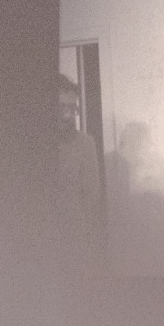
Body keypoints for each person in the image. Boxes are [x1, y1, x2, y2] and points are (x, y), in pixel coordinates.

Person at [58, 73, 104, 260]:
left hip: (72, 239)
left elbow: (91, 196)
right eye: (61, 107)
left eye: (72, 108)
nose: (68, 115)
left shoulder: (85, 143)